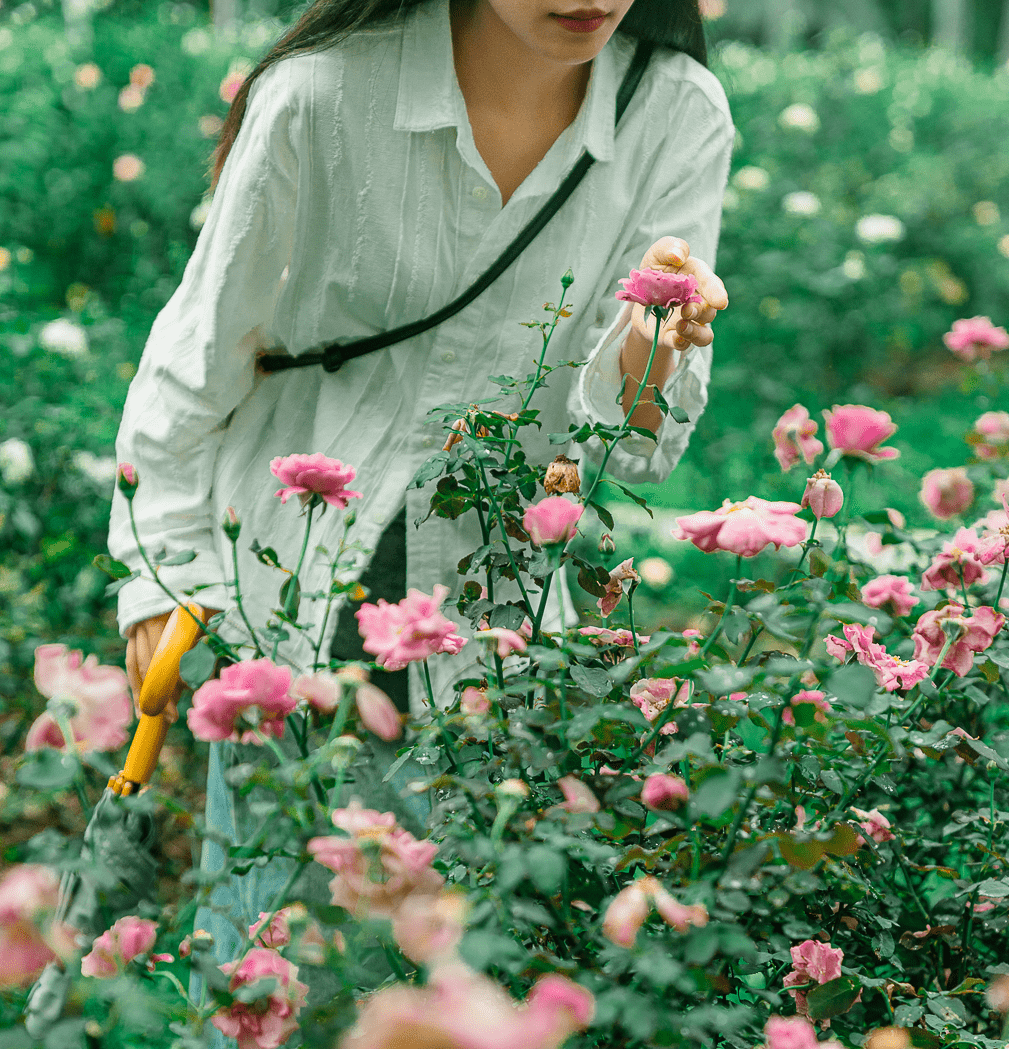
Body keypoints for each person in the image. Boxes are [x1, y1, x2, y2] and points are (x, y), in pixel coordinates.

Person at [108, 0, 734, 964]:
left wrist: (653, 352)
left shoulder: (676, 113)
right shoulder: (321, 96)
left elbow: (631, 449)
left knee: (466, 985)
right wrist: (161, 574)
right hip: (299, 584)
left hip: (500, 615)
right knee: (274, 969)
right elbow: (202, 349)